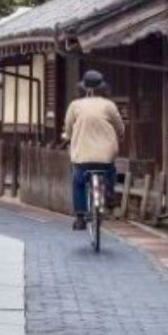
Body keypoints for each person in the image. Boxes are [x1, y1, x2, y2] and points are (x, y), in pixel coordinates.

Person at [62, 70, 125, 231]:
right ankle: (109, 194)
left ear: (83, 88)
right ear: (102, 87)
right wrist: (120, 134)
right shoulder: (108, 105)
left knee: (78, 181)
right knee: (110, 169)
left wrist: (68, 136)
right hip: (105, 155)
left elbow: (68, 128)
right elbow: (119, 126)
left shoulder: (75, 106)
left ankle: (80, 217)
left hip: (82, 157)